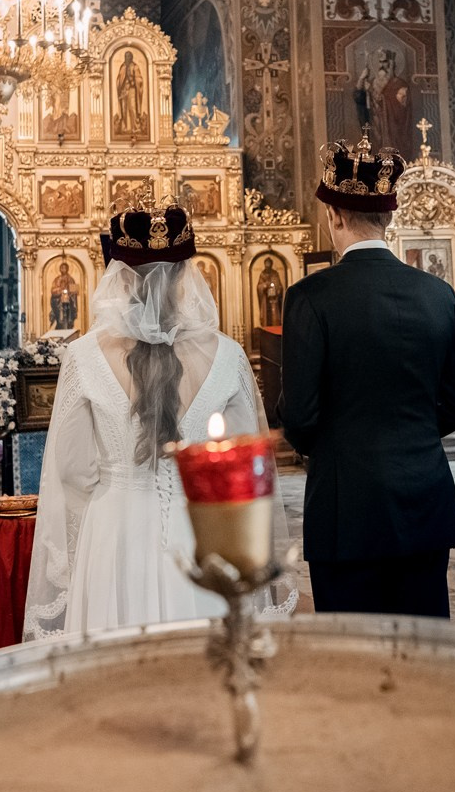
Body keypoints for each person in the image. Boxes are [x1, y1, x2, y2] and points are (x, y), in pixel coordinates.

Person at [24, 205, 293, 639]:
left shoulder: (83, 357)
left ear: (120, 277)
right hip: (202, 531)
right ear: (186, 275)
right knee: (202, 656)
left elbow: (72, 470)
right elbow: (245, 462)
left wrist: (116, 481)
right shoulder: (228, 355)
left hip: (113, 531)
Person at [281, 131, 455, 617]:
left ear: (334, 215)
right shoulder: (439, 294)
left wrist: (339, 442)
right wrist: (411, 431)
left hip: (345, 509)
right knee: (425, 644)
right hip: (425, 502)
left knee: (353, 653)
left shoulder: (310, 296)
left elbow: (300, 416)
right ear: (389, 217)